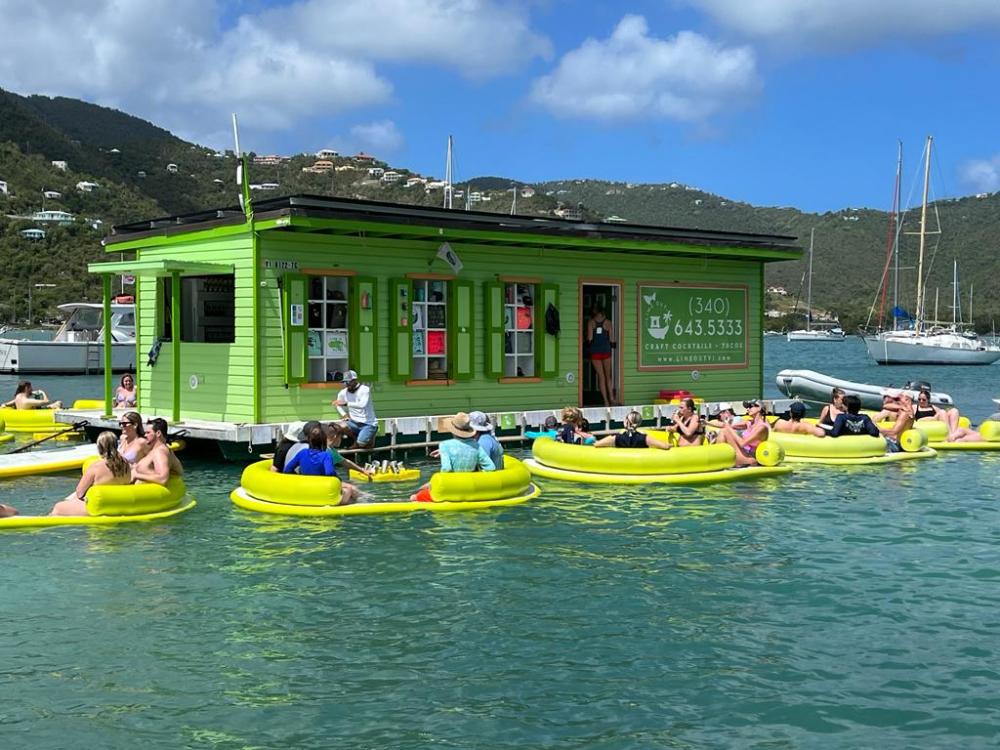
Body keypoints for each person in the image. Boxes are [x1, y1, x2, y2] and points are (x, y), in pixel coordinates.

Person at [410, 413, 495, 502]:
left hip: (451, 489)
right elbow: (490, 467)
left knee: (414, 497)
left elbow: (446, 469)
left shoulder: (445, 445)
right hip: (470, 489)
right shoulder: (476, 445)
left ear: (453, 430)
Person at [49, 431, 132, 516]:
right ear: (115, 445)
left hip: (99, 507)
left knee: (58, 507)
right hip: (120, 504)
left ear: (100, 447)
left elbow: (79, 492)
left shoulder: (96, 466)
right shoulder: (126, 464)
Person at [332, 370, 378, 448]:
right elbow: (337, 404)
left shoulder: (365, 390)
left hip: (368, 423)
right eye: (344, 382)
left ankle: (367, 438)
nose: (346, 384)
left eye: (348, 382)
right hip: (353, 422)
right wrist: (344, 415)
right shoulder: (343, 392)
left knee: (362, 444)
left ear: (355, 380)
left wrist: (345, 404)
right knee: (339, 426)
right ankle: (356, 439)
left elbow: (362, 405)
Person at [716, 400, 769, 466]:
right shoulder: (749, 422)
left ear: (759, 408)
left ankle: (717, 457)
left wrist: (728, 427)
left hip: (750, 457)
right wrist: (706, 423)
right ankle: (717, 455)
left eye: (750, 407)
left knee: (726, 431)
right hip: (743, 452)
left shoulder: (762, 427)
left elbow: (742, 443)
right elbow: (726, 426)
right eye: (747, 407)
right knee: (724, 431)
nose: (748, 409)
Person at [132, 417, 183, 484]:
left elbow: (163, 479)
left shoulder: (160, 452)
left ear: (158, 433)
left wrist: (136, 475)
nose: (145, 435)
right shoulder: (158, 449)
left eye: (148, 432)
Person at [586, 305, 617, 407]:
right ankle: (612, 398)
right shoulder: (608, 322)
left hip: (595, 352)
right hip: (606, 351)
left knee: (601, 377)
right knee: (608, 376)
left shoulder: (591, 322)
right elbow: (612, 339)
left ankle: (605, 401)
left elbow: (590, 338)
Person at [594, 411, 671, 449]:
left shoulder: (616, 438)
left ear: (625, 422)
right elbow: (665, 446)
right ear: (639, 423)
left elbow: (597, 444)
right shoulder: (644, 438)